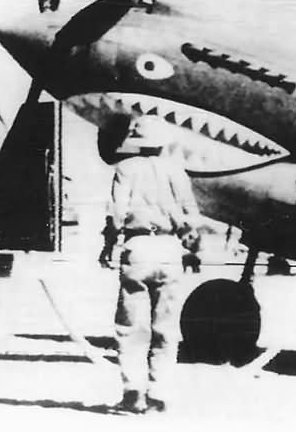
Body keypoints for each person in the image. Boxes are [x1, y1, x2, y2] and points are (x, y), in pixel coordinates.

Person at [110, 116, 202, 414]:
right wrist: (192, 247)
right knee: (166, 327)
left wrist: (108, 245)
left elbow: (116, 215)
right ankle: (158, 395)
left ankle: (133, 394)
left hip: (138, 248)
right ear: (162, 142)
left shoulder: (124, 169)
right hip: (169, 249)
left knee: (132, 327)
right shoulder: (176, 171)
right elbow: (192, 217)